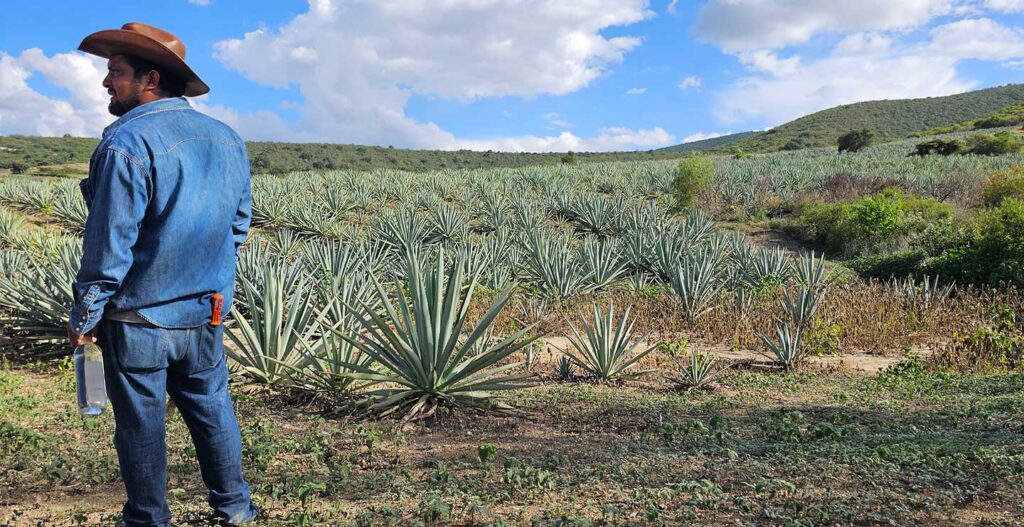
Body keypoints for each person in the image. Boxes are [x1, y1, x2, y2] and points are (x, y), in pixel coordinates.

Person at [67, 22, 258, 527]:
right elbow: (238, 226)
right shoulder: (226, 138)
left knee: (140, 426)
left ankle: (149, 520)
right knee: (212, 411)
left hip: (139, 319)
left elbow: (111, 244)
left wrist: (87, 311)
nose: (106, 83)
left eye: (115, 72)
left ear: (150, 78)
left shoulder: (125, 144)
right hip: (206, 312)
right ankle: (235, 510)